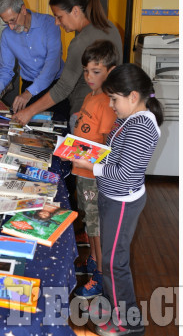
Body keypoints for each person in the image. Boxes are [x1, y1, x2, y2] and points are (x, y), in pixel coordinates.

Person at [71, 63, 163, 336]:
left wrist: (90, 166)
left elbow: (123, 174)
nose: (111, 105)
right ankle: (113, 309)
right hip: (111, 196)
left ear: (133, 96)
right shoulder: (129, 118)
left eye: (114, 99)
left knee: (114, 263)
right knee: (111, 261)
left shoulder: (142, 126)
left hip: (122, 201)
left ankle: (129, 323)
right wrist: (88, 153)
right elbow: (113, 152)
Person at [12, 0, 123, 127]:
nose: (57, 22)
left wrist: (28, 112)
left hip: (86, 115)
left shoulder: (80, 42)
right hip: (111, 112)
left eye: (59, 17)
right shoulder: (109, 26)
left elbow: (63, 88)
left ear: (75, 11)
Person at [69, 40, 119, 299]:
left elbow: (109, 150)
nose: (89, 77)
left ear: (111, 71)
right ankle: (95, 262)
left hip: (94, 176)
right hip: (83, 174)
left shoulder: (107, 104)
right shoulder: (91, 96)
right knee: (90, 224)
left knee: (97, 228)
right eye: (86, 71)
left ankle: (100, 276)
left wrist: (76, 153)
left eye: (95, 72)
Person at [0, 0, 68, 116]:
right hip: (29, 86)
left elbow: (52, 65)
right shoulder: (7, 35)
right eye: (6, 22)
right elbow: (6, 69)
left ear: (23, 10)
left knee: (58, 128)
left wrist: (29, 93)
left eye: (12, 20)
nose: (11, 27)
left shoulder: (49, 24)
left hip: (55, 86)